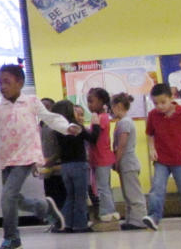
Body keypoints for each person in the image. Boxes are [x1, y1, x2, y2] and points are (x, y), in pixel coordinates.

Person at [0, 64, 79, 249]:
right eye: (0, 83)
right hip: (7, 159)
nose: (3, 86)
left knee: (7, 196)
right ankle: (45, 208)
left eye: (7, 82)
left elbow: (50, 118)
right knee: (15, 199)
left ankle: (12, 239)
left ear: (20, 82)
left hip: (26, 156)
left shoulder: (31, 102)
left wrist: (67, 127)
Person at [146, 82, 181, 228]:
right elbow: (150, 134)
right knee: (157, 188)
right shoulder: (153, 115)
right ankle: (154, 217)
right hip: (162, 158)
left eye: (163, 102)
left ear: (171, 98)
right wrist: (152, 149)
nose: (160, 106)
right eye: (156, 103)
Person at [110, 93, 156, 231]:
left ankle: (139, 220)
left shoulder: (125, 122)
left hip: (128, 162)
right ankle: (131, 219)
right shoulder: (123, 121)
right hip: (126, 162)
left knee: (133, 193)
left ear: (118, 106)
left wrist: (116, 161)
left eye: (112, 107)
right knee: (128, 193)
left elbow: (122, 145)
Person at [51, 100, 93, 233]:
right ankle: (80, 225)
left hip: (65, 166)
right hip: (78, 164)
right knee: (80, 196)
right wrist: (95, 125)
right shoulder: (75, 126)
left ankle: (65, 223)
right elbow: (92, 138)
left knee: (70, 196)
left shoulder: (58, 128)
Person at [86, 87, 119, 223]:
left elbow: (95, 137)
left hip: (103, 158)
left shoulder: (103, 118)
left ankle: (108, 211)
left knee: (103, 187)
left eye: (91, 101)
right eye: (87, 101)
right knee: (100, 186)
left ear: (101, 102)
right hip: (96, 158)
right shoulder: (97, 118)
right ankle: (108, 211)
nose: (89, 105)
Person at [39, 98, 66, 209]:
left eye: (47, 107)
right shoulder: (41, 126)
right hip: (46, 170)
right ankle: (56, 222)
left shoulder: (57, 125)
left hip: (58, 168)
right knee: (50, 198)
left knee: (61, 197)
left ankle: (65, 222)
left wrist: (52, 160)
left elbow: (61, 148)